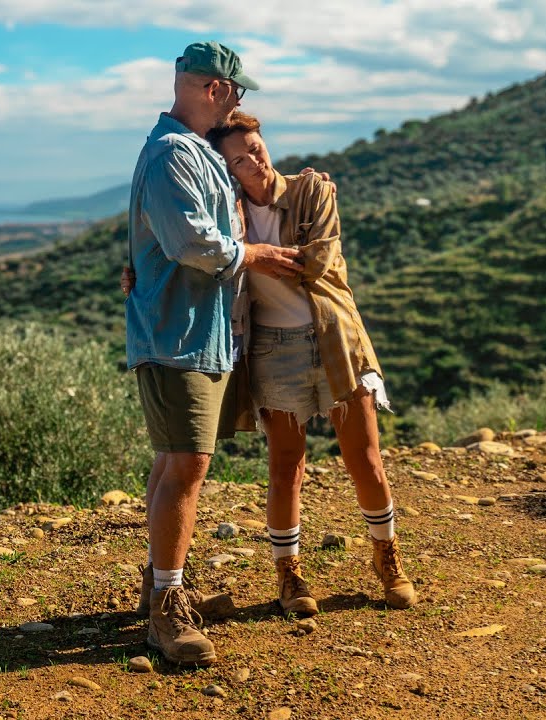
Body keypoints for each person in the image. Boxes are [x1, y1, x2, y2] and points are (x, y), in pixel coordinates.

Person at [130, 111, 418, 616]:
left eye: (256, 148)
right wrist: (146, 267)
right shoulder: (228, 213)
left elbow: (320, 259)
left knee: (366, 459)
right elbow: (181, 240)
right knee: (286, 467)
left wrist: (242, 255)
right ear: (226, 171)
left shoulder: (311, 191)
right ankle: (290, 577)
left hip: (335, 339)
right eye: (238, 159)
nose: (254, 161)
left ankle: (387, 559)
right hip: (271, 349)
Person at [125, 41, 303, 666]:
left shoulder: (192, 152)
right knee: (186, 467)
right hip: (179, 336)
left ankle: (160, 586)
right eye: (237, 91)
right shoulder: (175, 155)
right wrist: (254, 254)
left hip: (193, 333)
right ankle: (166, 615)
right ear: (217, 90)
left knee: (174, 461)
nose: (239, 101)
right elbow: (194, 244)